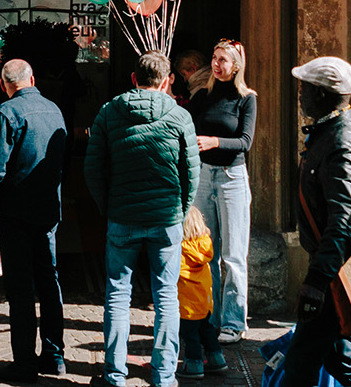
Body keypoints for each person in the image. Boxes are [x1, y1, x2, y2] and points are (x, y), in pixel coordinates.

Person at [85, 50, 200, 387]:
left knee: (118, 295)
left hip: (122, 216)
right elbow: (192, 171)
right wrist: (180, 210)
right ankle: (164, 376)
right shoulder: (179, 116)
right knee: (167, 297)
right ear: (167, 82)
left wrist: (107, 207)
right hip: (166, 218)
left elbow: (93, 168)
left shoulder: (110, 112)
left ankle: (114, 374)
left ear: (133, 79)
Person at [286, 56, 351, 387]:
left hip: (336, 272)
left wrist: (316, 281)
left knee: (301, 363)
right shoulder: (330, 131)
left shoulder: (341, 141)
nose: (299, 95)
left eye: (305, 89)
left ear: (323, 94)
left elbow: (344, 221)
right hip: (331, 267)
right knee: (341, 360)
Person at [0, 58, 70, 381]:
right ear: (32, 78)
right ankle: (54, 356)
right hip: (48, 210)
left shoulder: (6, 113)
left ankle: (24, 362)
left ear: (3, 85)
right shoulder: (55, 110)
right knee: (50, 283)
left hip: (17, 212)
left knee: (20, 289)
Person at [187, 39, 257, 346]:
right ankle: (211, 318)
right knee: (206, 250)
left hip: (232, 177)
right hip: (204, 175)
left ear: (236, 65)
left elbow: (245, 141)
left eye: (224, 60)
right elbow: (186, 126)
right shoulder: (203, 95)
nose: (217, 64)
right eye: (215, 58)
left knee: (233, 255)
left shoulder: (247, 98)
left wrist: (215, 142)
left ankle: (234, 322)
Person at [177, 204, 226, 380]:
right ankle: (217, 359)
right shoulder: (205, 246)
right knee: (208, 331)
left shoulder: (180, 250)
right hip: (205, 303)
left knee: (190, 337)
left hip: (186, 305)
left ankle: (193, 365)